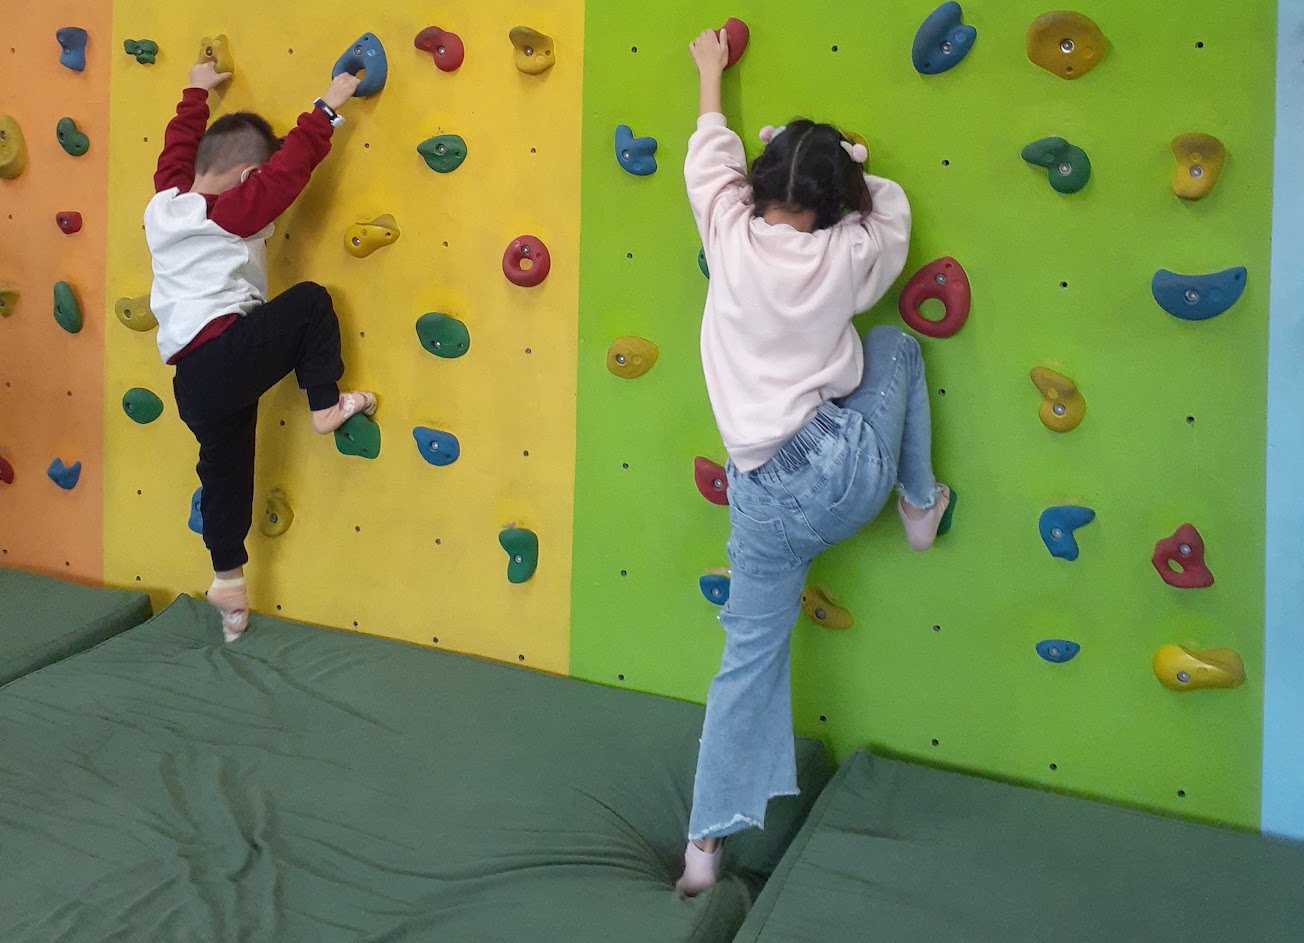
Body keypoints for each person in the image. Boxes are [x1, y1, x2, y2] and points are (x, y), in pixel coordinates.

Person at [676, 28, 953, 896]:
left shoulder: (726, 231)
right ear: (836, 205)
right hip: (839, 473)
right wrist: (856, 165)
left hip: (759, 493)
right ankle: (919, 506)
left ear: (756, 187)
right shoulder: (847, 254)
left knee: (747, 661)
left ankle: (701, 849)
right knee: (897, 347)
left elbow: (709, 156)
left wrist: (712, 74)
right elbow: (893, 210)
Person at [145, 61, 377, 643]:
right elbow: (288, 175)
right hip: (226, 352)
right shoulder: (231, 212)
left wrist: (197, 91)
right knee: (311, 303)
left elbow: (175, 153)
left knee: (225, 477)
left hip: (192, 380)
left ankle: (228, 581)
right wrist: (327, 107)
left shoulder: (165, 205)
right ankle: (324, 405)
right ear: (248, 176)